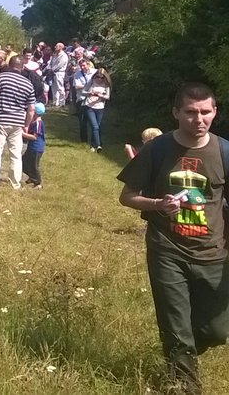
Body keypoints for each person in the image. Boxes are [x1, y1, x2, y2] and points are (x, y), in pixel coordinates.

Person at [117, 83, 229, 394]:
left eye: (205, 112)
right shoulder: (158, 149)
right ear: (176, 113)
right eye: (191, 112)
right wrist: (157, 205)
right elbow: (127, 196)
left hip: (214, 254)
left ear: (215, 112)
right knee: (177, 329)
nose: (199, 119)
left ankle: (185, 352)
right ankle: (184, 385)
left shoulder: (224, 151)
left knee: (217, 330)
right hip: (167, 251)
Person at [0, 55, 36, 189]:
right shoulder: (28, 84)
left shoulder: (0, 78)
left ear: (8, 65)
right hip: (17, 122)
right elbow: (31, 109)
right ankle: (15, 183)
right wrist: (26, 124)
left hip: (0, 120)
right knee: (15, 154)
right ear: (22, 67)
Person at [84, 68, 111, 153]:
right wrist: (89, 93)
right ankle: (99, 145)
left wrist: (101, 96)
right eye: (98, 77)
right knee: (95, 126)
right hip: (90, 106)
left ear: (105, 78)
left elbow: (108, 96)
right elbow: (83, 91)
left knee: (96, 127)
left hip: (100, 107)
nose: (99, 79)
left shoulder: (106, 85)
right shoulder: (92, 81)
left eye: (102, 77)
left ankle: (92, 145)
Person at [21, 102, 46, 189]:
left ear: (35, 112)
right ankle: (32, 177)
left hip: (36, 148)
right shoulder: (34, 122)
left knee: (34, 166)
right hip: (31, 147)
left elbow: (35, 137)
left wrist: (23, 134)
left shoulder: (38, 123)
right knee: (23, 162)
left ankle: (38, 182)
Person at [47, 43, 69, 108]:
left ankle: (62, 102)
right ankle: (55, 102)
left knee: (60, 87)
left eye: (56, 46)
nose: (55, 47)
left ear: (61, 47)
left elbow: (59, 65)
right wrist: (49, 69)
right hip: (53, 73)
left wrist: (52, 70)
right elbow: (51, 62)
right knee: (54, 88)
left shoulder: (63, 56)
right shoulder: (55, 54)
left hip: (59, 73)